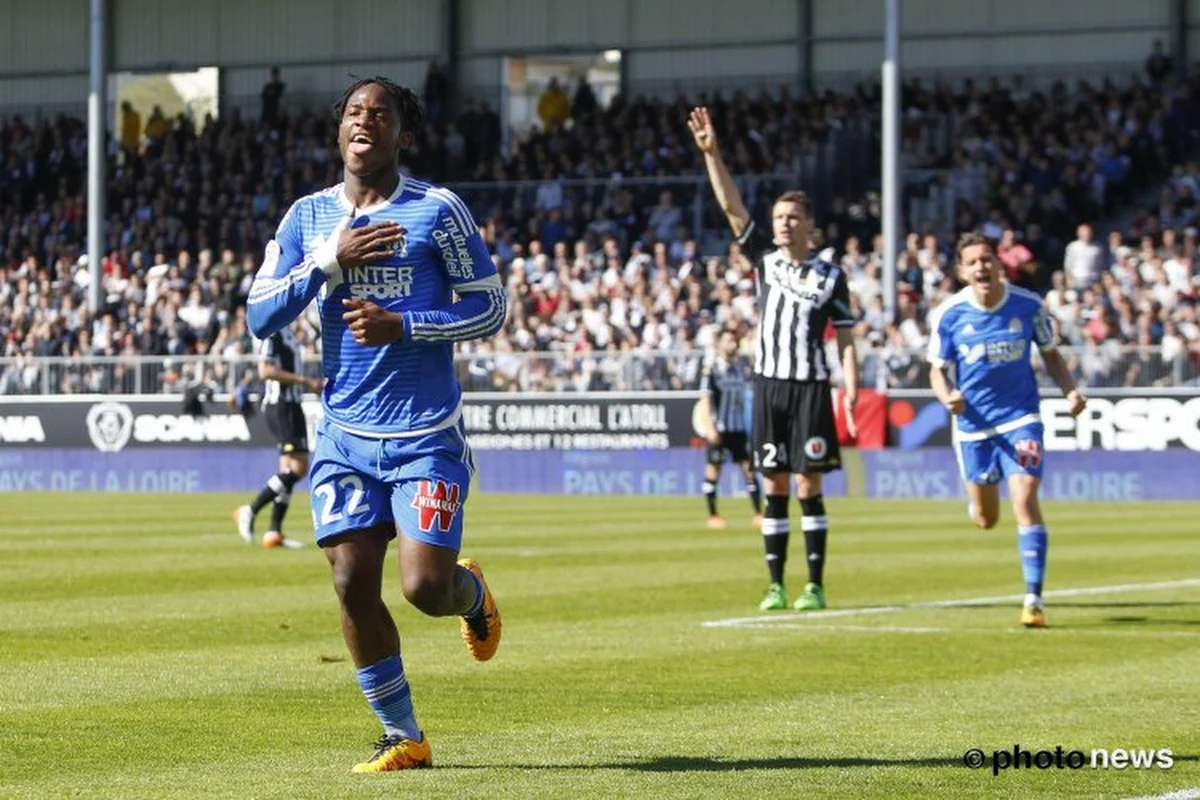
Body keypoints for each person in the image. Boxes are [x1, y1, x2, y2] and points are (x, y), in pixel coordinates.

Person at [246, 76, 506, 772]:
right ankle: (405, 736)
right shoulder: (307, 219)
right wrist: (329, 264)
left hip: (425, 436)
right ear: (341, 133)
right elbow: (259, 313)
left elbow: (490, 307)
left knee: (424, 590)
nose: (366, 120)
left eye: (381, 113)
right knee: (350, 582)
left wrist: (407, 325)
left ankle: (471, 592)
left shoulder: (437, 211)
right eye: (355, 112)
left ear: (403, 135)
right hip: (344, 437)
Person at [688, 106, 859, 613]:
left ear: (811, 225)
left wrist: (851, 387)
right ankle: (775, 585)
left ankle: (815, 584)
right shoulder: (766, 260)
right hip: (770, 386)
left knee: (809, 483)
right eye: (778, 218)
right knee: (775, 483)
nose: (781, 225)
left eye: (791, 218)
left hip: (810, 387)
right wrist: (712, 154)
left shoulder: (832, 278)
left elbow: (846, 339)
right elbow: (733, 207)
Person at [927, 232, 1088, 628]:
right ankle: (978, 502)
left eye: (987, 259)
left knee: (1025, 497)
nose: (982, 267)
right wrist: (947, 395)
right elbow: (936, 369)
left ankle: (1033, 599)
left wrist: (1070, 392)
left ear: (999, 264)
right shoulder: (950, 315)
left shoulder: (1029, 305)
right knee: (986, 519)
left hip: (1020, 417)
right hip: (973, 425)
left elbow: (1050, 354)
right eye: (973, 262)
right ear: (962, 272)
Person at [233, 325, 322, 549]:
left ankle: (274, 531)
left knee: (287, 470)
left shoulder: (288, 333)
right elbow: (265, 371)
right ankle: (250, 509)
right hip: (282, 407)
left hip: (291, 406)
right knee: (299, 469)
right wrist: (305, 381)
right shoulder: (274, 334)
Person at [699, 327, 761, 529]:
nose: (732, 345)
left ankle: (758, 513)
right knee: (713, 470)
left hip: (738, 428)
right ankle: (713, 515)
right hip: (720, 427)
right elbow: (706, 400)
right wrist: (710, 428)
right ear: (719, 344)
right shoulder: (712, 369)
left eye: (734, 341)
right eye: (728, 341)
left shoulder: (740, 368)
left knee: (749, 469)